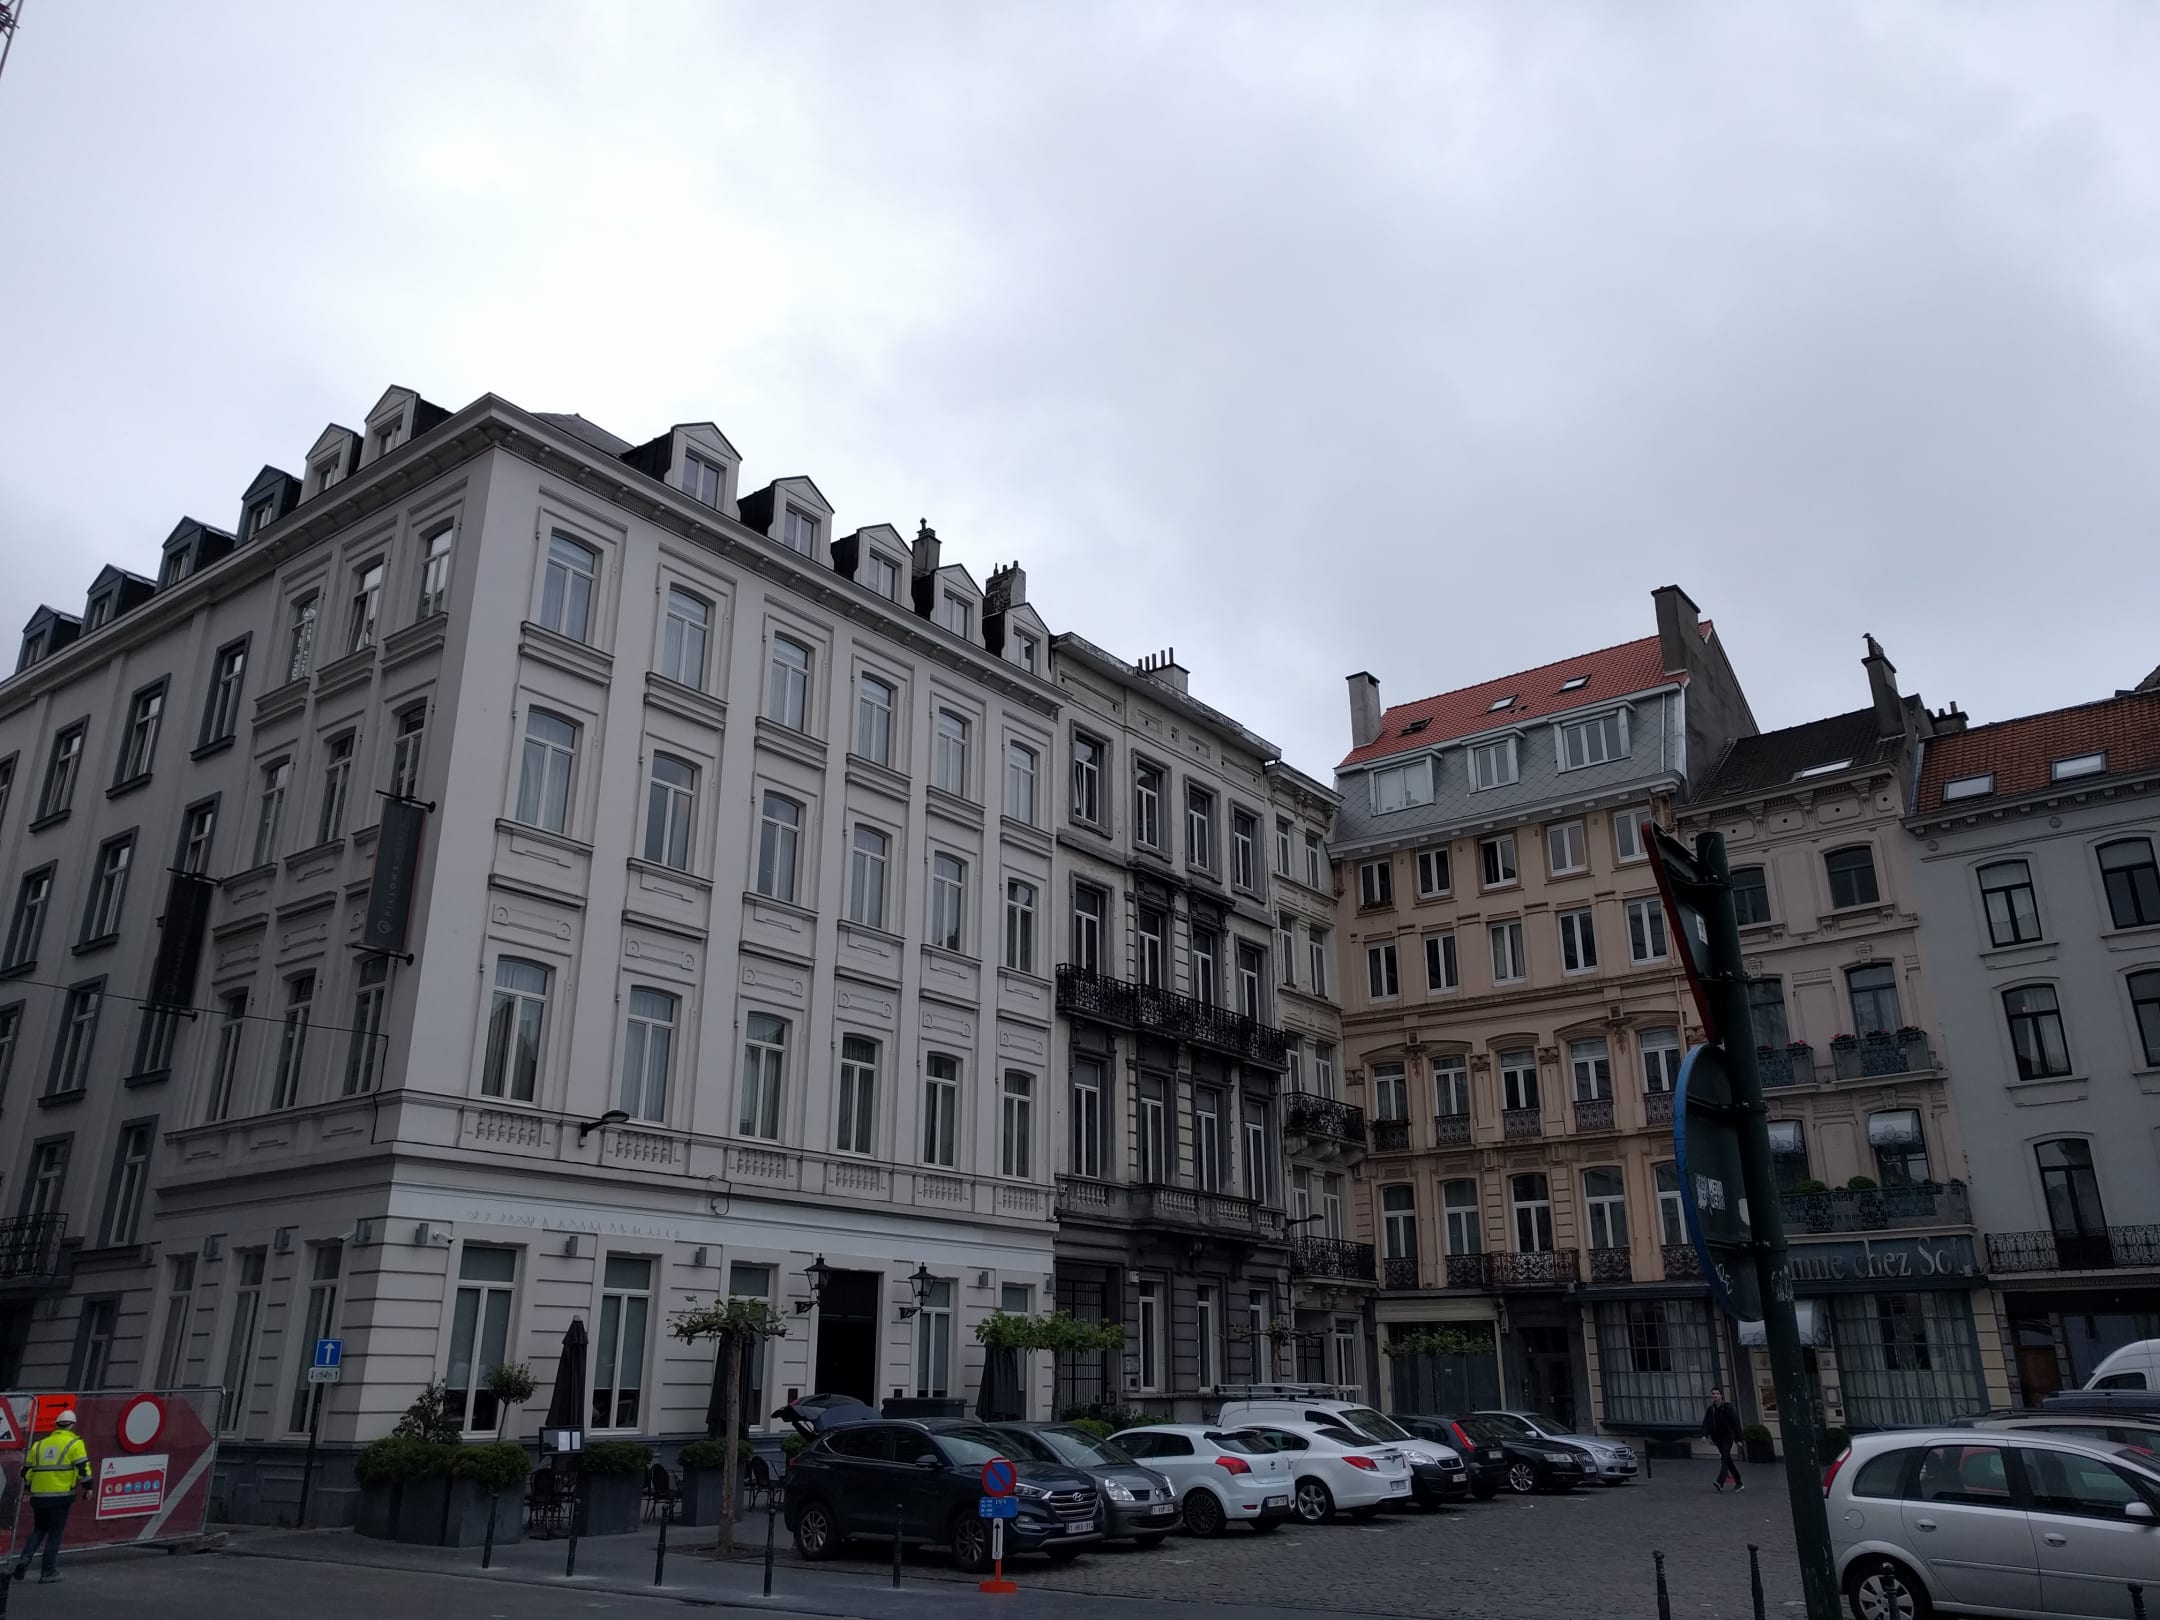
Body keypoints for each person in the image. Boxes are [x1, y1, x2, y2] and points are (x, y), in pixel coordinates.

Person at [16, 1408, 91, 1583]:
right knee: (55, 1533)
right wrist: (88, 1487)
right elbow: (83, 1468)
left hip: (39, 1496)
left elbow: (26, 1471)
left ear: (56, 1425)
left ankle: (24, 1559)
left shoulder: (39, 1445)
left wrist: (30, 1487)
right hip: (61, 1496)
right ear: (72, 1425)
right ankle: (48, 1572)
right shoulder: (75, 1443)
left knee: (39, 1529)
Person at [1702, 1387, 1744, 1492]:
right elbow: (1706, 1422)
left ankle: (1720, 1481)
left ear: (1721, 1395)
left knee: (1724, 1457)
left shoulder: (1727, 1407)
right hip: (1718, 1438)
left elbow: (1735, 1422)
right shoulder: (1711, 1409)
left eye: (1717, 1393)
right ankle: (1739, 1482)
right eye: (1713, 1394)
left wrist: (1739, 1438)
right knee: (1728, 1460)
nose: (1715, 1396)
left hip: (1728, 1437)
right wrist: (1704, 1435)